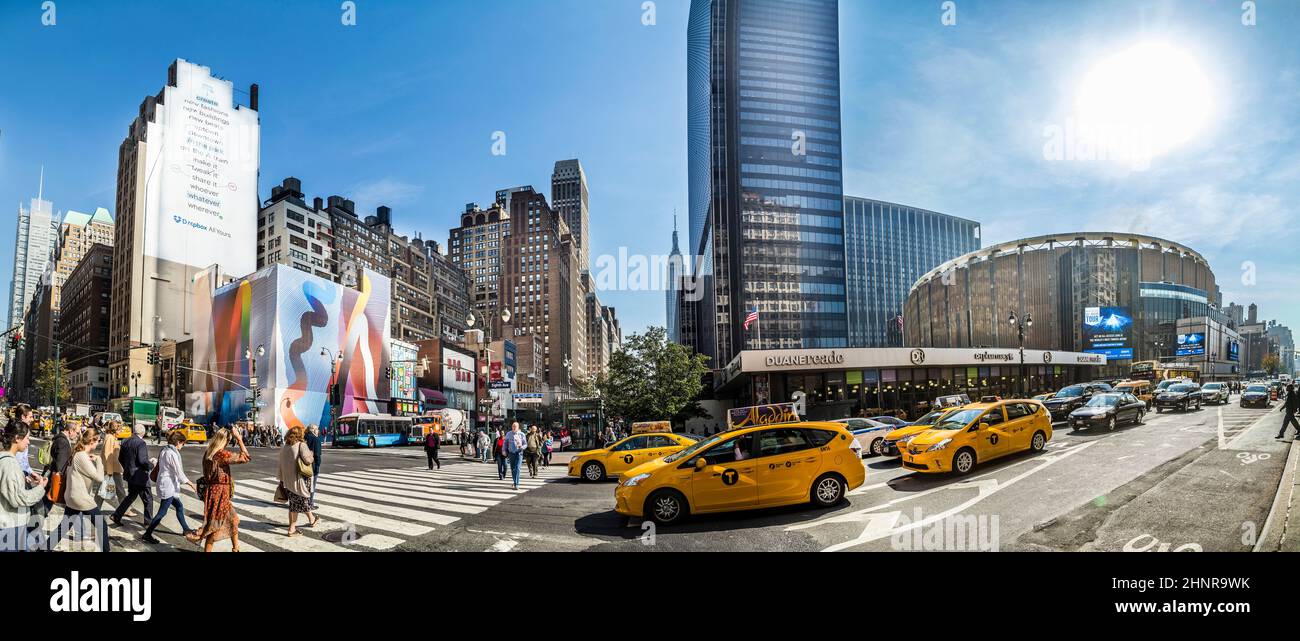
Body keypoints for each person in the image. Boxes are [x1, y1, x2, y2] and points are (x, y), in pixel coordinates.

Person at [187, 427, 250, 552]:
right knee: (214, 525)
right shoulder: (220, 453)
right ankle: (202, 542)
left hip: (214, 491)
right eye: (228, 441)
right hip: (220, 493)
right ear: (223, 440)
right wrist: (239, 439)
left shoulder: (208, 452)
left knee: (233, 519)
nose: (228, 443)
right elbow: (246, 458)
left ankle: (235, 548)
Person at [141, 430, 196, 545]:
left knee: (179, 506)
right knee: (162, 512)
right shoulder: (171, 453)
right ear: (178, 442)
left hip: (167, 484)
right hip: (168, 486)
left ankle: (186, 529)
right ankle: (147, 534)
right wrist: (191, 483)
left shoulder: (165, 449)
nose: (182, 446)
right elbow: (179, 472)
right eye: (182, 444)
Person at [1, 422, 47, 552]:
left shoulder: (4, 460)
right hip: (10, 526)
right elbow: (18, 499)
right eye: (27, 438)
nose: (28, 442)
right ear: (17, 438)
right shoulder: (9, 464)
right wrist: (40, 488)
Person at [60, 429, 109, 552]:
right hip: (81, 499)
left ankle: (44, 549)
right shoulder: (81, 456)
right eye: (97, 441)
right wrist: (99, 461)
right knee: (101, 525)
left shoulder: (78, 453)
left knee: (64, 527)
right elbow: (99, 477)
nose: (98, 444)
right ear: (92, 441)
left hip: (72, 497)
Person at [277, 425, 318, 537]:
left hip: (288, 481)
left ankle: (311, 520)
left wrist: (281, 479)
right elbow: (308, 460)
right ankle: (292, 529)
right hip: (299, 480)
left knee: (296, 503)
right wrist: (312, 455)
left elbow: (281, 464)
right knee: (299, 503)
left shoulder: (285, 447)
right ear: (300, 434)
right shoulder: (301, 445)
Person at [110, 424, 153, 527]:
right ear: (143, 432)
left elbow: (120, 458)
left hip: (130, 474)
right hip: (140, 476)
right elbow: (143, 461)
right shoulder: (141, 443)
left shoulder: (125, 441)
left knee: (131, 496)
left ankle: (117, 515)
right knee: (148, 498)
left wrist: (127, 468)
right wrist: (152, 464)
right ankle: (148, 522)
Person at [40, 414, 76, 517]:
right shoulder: (63, 442)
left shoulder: (59, 438)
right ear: (70, 431)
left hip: (51, 475)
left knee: (46, 501)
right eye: (76, 433)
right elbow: (61, 464)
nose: (77, 435)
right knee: (47, 502)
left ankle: (33, 524)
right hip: (55, 478)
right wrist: (64, 477)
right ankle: (33, 526)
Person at [100, 423, 130, 516]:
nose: (120, 432)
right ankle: (126, 509)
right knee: (119, 491)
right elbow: (107, 454)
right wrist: (109, 472)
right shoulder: (110, 438)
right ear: (115, 430)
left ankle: (125, 509)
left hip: (113, 468)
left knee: (106, 490)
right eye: (119, 430)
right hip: (112, 470)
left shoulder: (111, 437)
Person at [305, 425, 323, 511]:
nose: (318, 431)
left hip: (303, 465)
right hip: (313, 465)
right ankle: (310, 503)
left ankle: (303, 502)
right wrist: (318, 466)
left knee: (305, 485)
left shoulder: (304, 438)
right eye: (317, 429)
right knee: (312, 485)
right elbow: (317, 455)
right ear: (313, 430)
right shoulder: (316, 439)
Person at [504, 422, 526, 490]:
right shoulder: (508, 434)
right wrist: (504, 450)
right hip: (511, 453)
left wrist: (522, 447)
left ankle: (517, 484)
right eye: (513, 426)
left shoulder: (522, 434)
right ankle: (514, 481)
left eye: (515, 426)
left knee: (518, 468)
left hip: (519, 453)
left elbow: (525, 444)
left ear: (518, 427)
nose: (513, 427)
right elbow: (505, 444)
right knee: (513, 468)